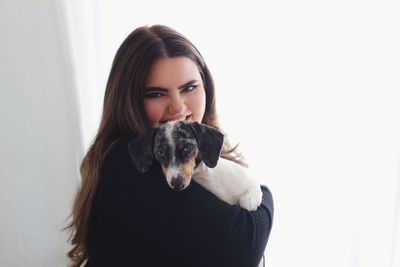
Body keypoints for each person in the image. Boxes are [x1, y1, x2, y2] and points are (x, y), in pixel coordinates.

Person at [65, 24, 274, 267]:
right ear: (129, 100)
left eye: (189, 88)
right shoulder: (130, 162)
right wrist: (266, 198)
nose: (177, 107)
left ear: (206, 87)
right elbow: (242, 247)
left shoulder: (196, 152)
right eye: (156, 93)